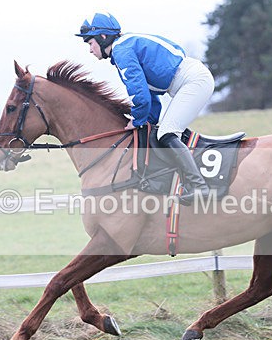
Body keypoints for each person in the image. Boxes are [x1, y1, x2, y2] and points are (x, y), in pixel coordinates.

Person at [75, 12, 214, 205]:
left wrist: (137, 119)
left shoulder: (123, 52)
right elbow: (150, 97)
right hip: (190, 80)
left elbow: (139, 95)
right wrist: (147, 121)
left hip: (194, 81)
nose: (90, 50)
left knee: (167, 133)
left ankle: (199, 187)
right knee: (161, 131)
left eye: (90, 43)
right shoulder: (124, 48)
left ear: (103, 37)